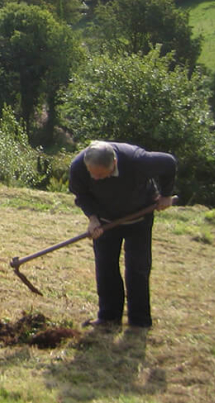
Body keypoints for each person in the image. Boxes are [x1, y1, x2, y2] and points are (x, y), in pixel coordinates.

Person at [68, 141, 177, 330]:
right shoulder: (79, 166)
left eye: (101, 174)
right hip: (105, 222)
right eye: (92, 173)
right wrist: (93, 219)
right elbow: (82, 194)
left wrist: (166, 195)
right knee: (105, 267)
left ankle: (139, 321)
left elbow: (169, 163)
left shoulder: (137, 161)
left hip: (139, 218)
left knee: (137, 269)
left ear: (115, 163)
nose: (95, 177)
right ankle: (108, 317)